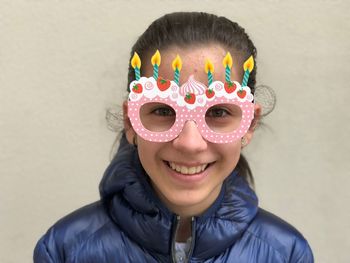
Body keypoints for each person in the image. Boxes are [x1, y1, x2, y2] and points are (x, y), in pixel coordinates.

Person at [34, 12, 314, 262]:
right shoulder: (64, 251)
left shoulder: (286, 254)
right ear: (132, 120)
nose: (190, 144)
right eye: (162, 110)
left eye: (217, 113)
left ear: (249, 123)